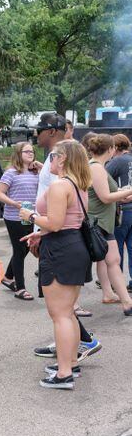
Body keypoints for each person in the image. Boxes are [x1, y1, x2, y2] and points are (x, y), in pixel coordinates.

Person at [20, 140, 93, 389]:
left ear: (62, 159)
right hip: (73, 246)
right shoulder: (77, 184)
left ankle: (64, 374)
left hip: (61, 249)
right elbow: (68, 222)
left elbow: (54, 222)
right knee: (68, 311)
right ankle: (70, 363)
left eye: (53, 155)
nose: (49, 160)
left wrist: (30, 216)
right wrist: (40, 233)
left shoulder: (60, 186)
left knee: (60, 314)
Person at [85, 134, 132, 314]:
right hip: (97, 222)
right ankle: (124, 301)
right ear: (111, 149)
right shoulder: (96, 168)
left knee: (112, 260)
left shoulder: (99, 167)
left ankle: (118, 298)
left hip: (102, 222)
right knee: (108, 260)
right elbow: (105, 197)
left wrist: (124, 193)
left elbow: (110, 193)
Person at [0, 142, 38, 300]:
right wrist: (13, 203)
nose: (30, 153)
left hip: (32, 216)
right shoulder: (11, 173)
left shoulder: (36, 172)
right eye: (26, 151)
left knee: (26, 248)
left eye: (32, 151)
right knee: (19, 250)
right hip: (14, 217)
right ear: (18, 154)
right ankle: (20, 288)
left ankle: (7, 277)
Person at [106, 133, 132, 292]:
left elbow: (103, 178)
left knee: (116, 248)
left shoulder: (116, 161)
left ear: (115, 147)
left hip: (122, 210)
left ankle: (118, 284)